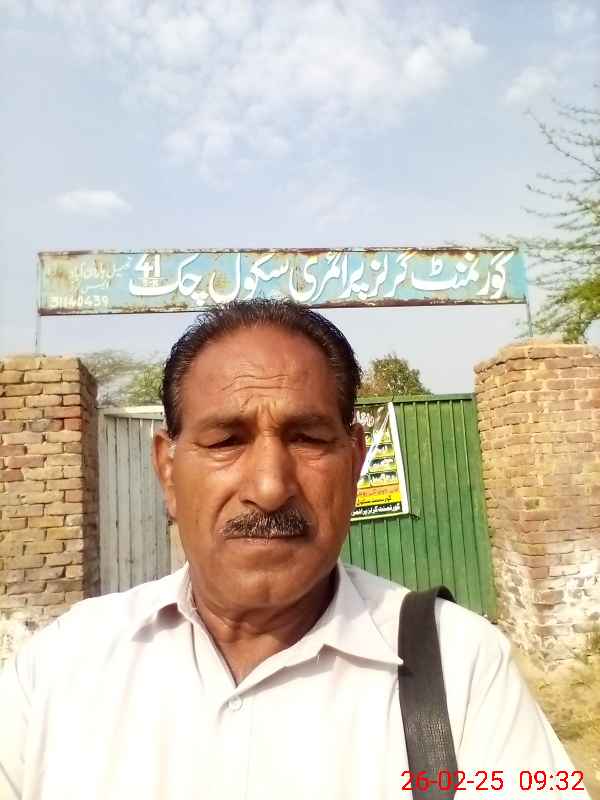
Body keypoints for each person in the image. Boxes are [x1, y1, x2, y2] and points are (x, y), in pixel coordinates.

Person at [0, 300, 589, 800]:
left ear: (354, 463)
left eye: (307, 438)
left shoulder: (462, 665)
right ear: (168, 471)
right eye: (226, 440)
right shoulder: (59, 668)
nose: (269, 486)